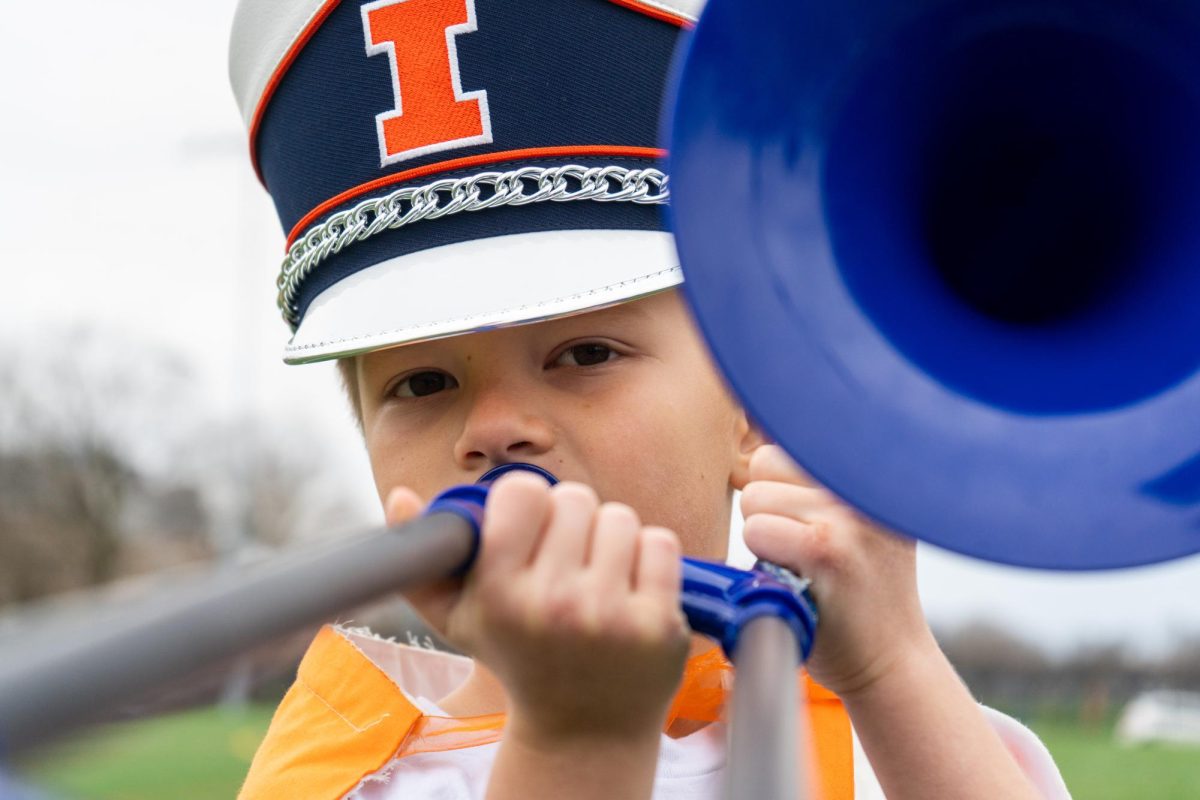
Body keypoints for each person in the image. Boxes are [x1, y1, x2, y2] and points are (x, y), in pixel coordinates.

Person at [229, 0, 1070, 797]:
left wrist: (892, 665)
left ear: (755, 407)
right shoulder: (345, 776)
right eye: (422, 383)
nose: (492, 430)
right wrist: (578, 742)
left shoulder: (916, 738)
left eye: (585, 353)